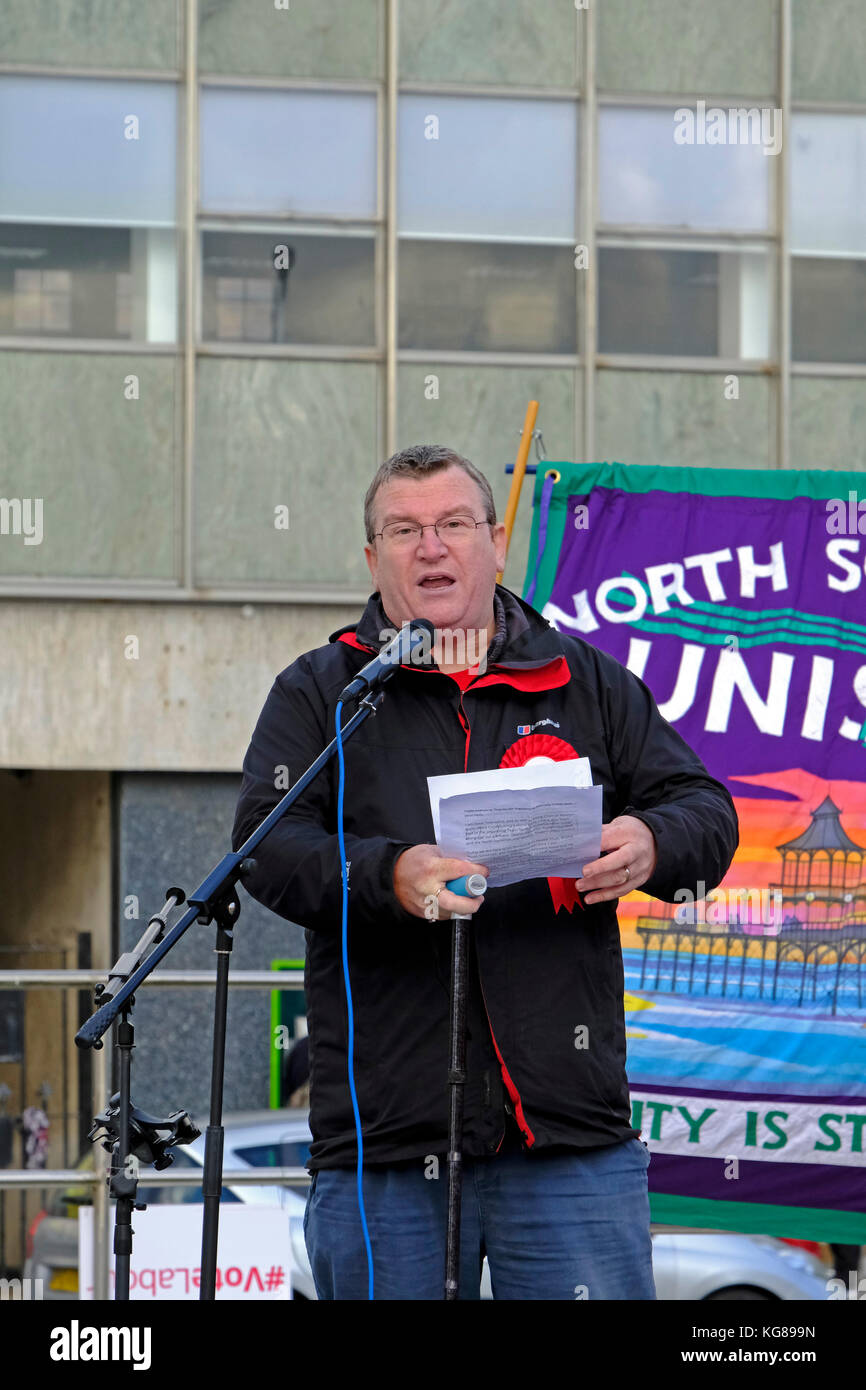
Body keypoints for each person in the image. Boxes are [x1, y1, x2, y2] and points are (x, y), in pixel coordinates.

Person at [232, 443, 739, 1300]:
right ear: (372, 557)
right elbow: (265, 849)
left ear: (496, 543)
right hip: (386, 1147)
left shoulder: (587, 682)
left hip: (569, 1140)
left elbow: (707, 811)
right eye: (405, 529)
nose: (432, 547)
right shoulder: (322, 694)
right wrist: (388, 876)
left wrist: (652, 840)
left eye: (454, 524)